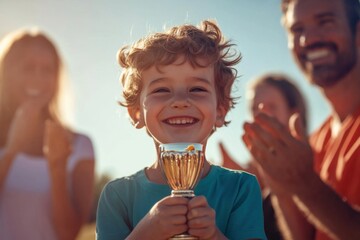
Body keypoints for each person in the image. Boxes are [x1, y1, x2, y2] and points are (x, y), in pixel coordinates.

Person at [96, 20, 267, 240]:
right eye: (161, 89)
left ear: (220, 110)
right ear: (136, 112)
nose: (180, 101)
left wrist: (213, 235)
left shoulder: (241, 188)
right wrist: (146, 233)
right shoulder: (117, 195)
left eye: (197, 89)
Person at [242, 0, 360, 239]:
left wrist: (305, 184)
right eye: (297, 30)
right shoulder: (317, 140)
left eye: (325, 22)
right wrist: (280, 185)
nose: (309, 39)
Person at [0, 28, 95, 240]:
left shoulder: (79, 145)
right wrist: (12, 149)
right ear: (6, 72)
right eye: (28, 68)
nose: (38, 78)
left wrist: (57, 168)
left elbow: (68, 234)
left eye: (47, 69)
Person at [219, 73, 308, 240]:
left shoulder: (315, 167)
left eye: (272, 106)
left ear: (293, 113)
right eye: (254, 108)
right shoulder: (251, 178)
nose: (261, 114)